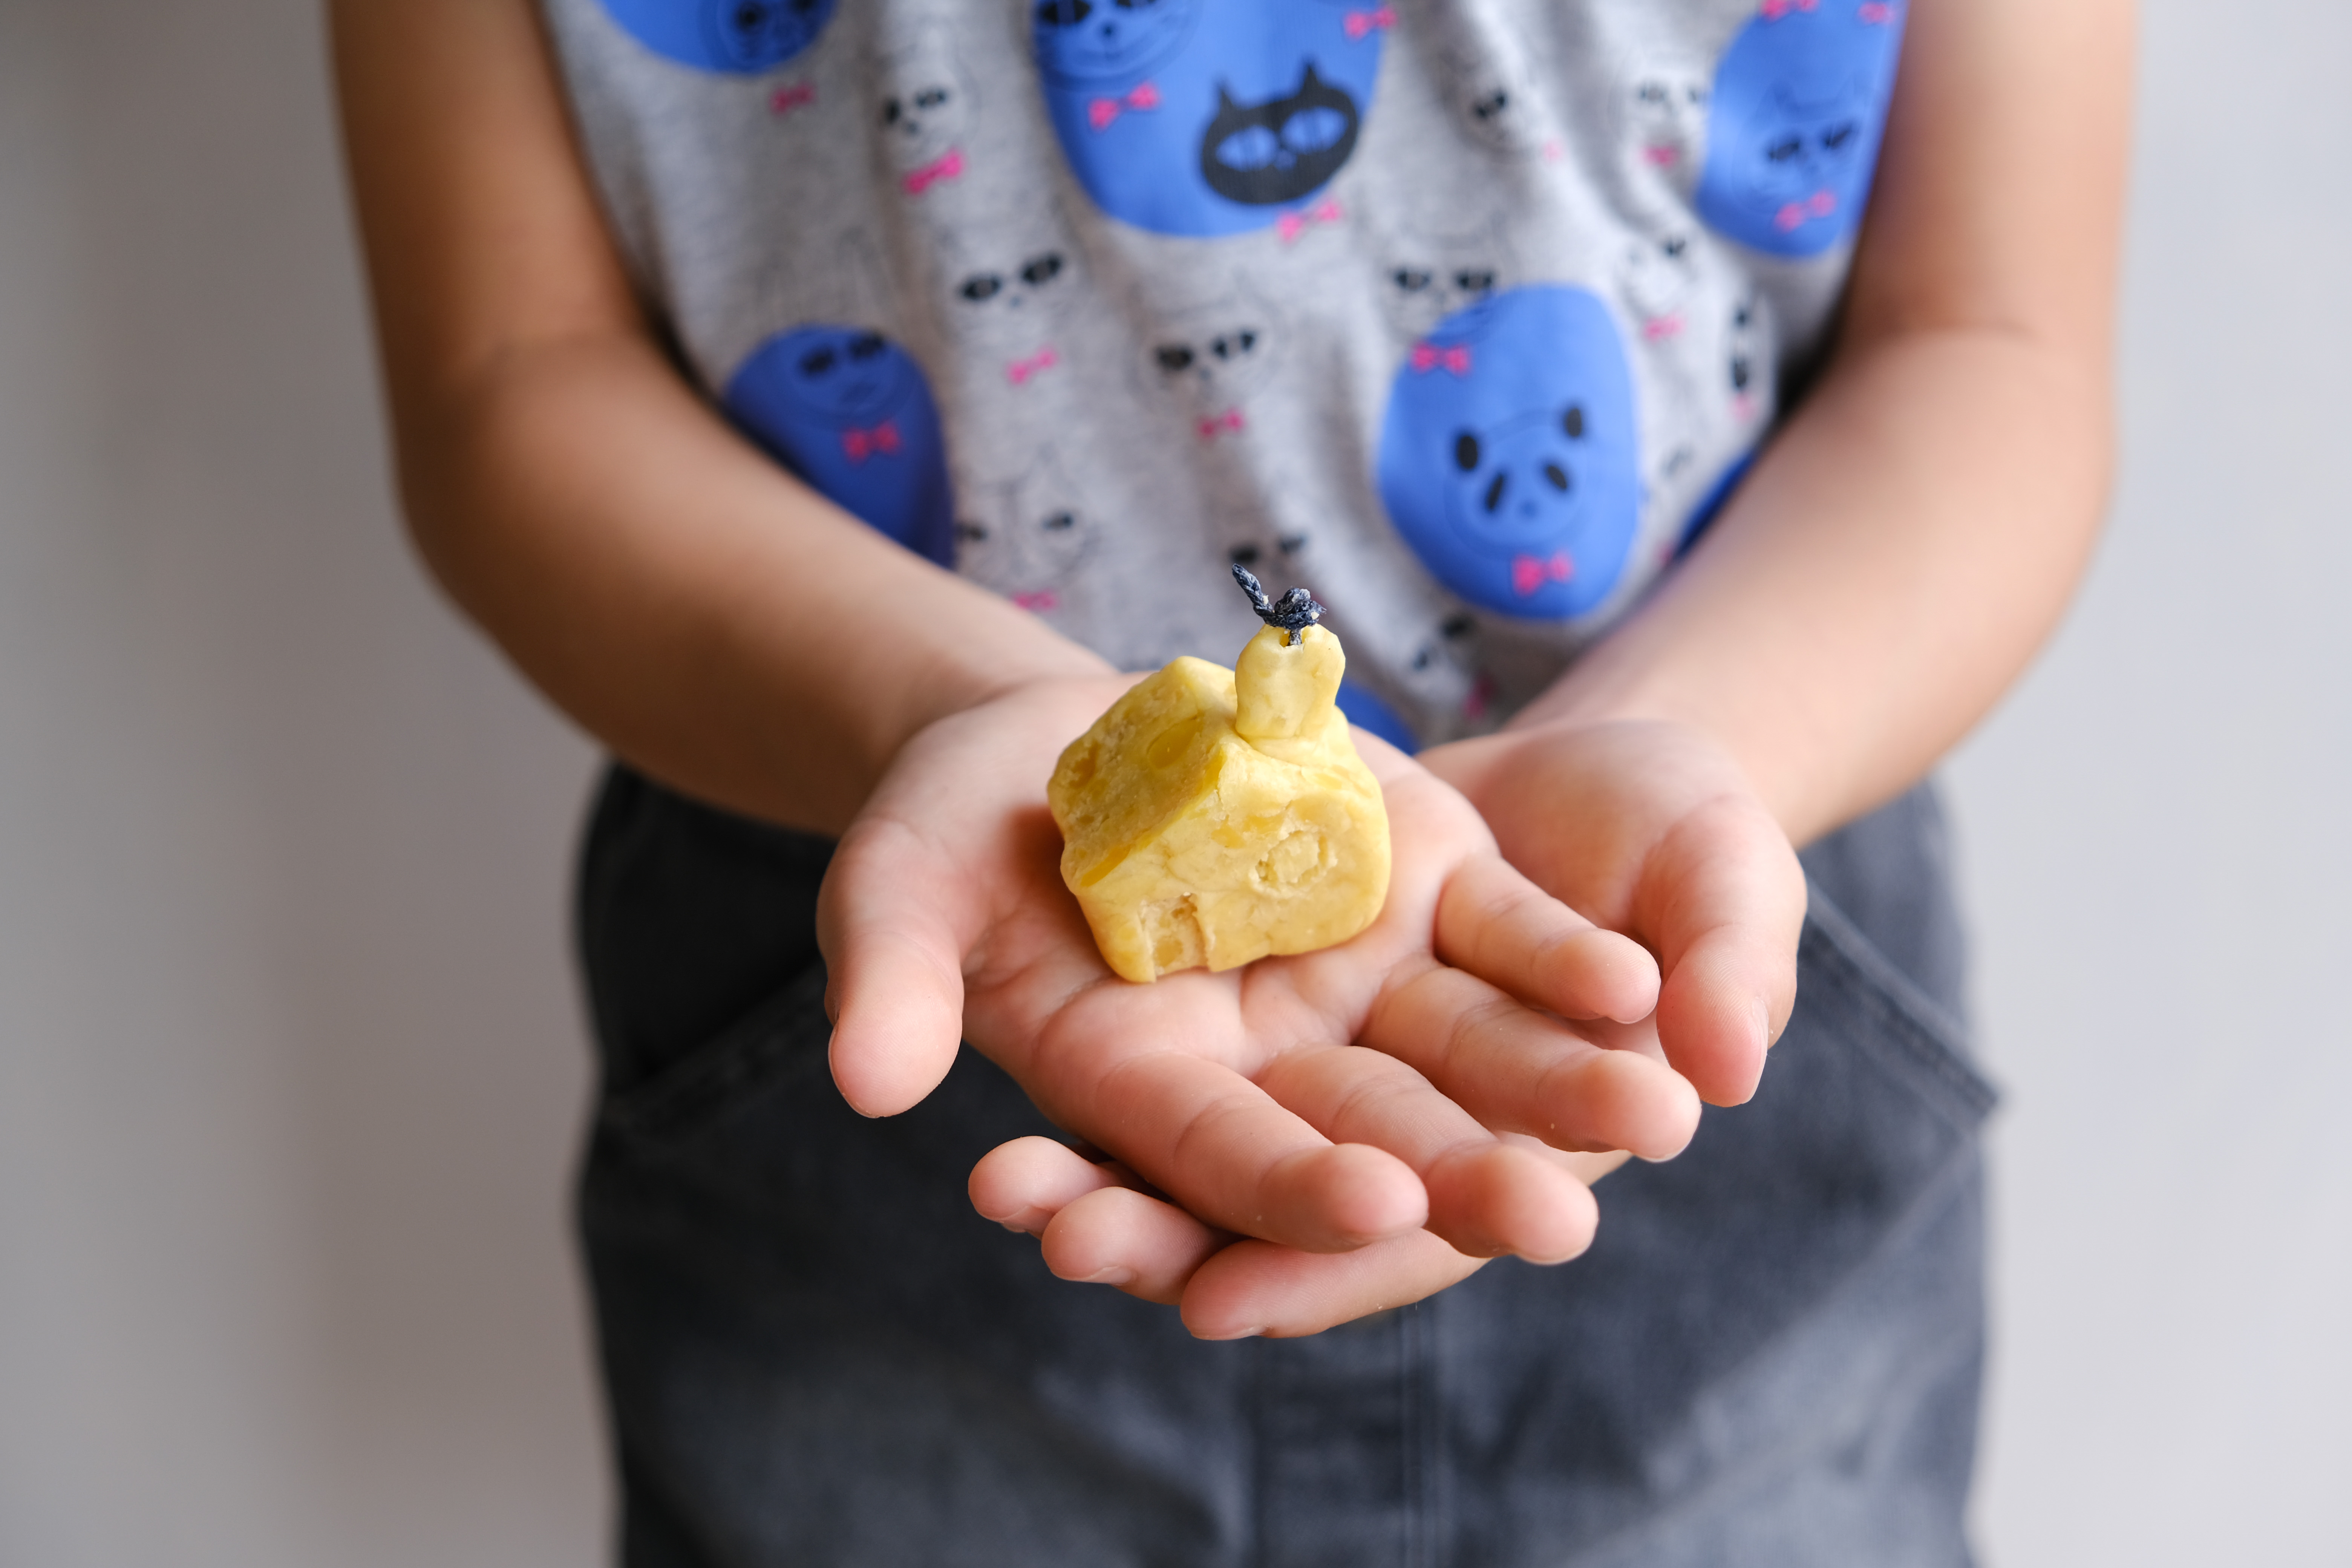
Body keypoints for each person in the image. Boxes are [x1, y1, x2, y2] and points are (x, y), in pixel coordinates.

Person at [330, 0, 2129, 1559]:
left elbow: (1990, 339)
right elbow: (512, 370)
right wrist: (961, 703)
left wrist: (1685, 740)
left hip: (1712, 930)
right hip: (858, 971)